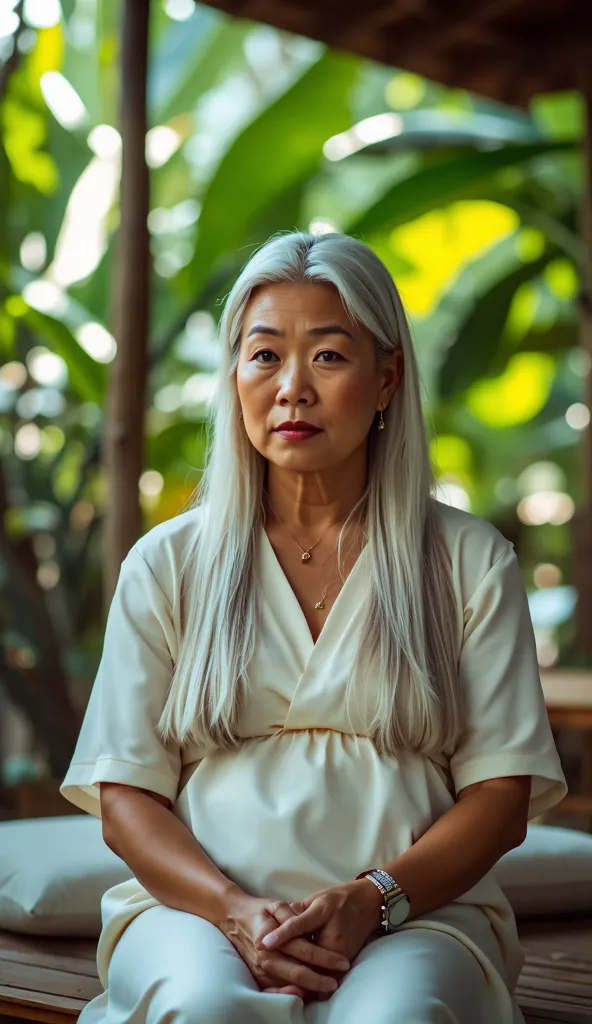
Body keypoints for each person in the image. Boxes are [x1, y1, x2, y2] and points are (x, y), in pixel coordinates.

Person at [60, 230, 567, 1024]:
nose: (292, 387)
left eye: (329, 356)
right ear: (234, 377)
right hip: (195, 917)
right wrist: (233, 909)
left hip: (417, 917)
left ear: (388, 377)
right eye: (264, 356)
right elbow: (126, 796)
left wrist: (374, 899)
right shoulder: (166, 564)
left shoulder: (469, 561)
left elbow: (500, 797)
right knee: (205, 1011)